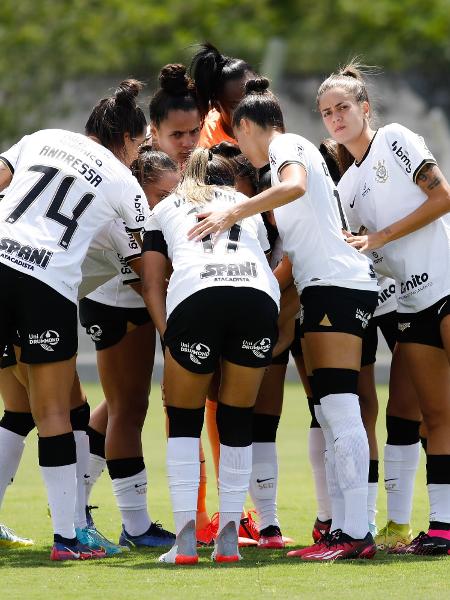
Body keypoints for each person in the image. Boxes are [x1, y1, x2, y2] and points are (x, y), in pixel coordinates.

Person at [188, 77, 381, 561]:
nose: (239, 148)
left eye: (239, 136)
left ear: (251, 125)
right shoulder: (287, 153)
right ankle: (348, 529)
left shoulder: (286, 148)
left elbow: (293, 187)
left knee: (339, 409)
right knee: (336, 409)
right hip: (330, 285)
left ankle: (355, 532)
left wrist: (235, 213)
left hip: (336, 286)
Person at [0, 78, 150, 560]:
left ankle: (72, 531)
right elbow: (143, 263)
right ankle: (69, 537)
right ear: (127, 139)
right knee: (53, 414)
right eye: (140, 146)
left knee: (23, 408)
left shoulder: (41, 138)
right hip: (46, 283)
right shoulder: (125, 182)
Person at [317, 62, 450, 556]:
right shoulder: (345, 188)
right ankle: (441, 526)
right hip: (411, 306)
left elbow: (442, 197)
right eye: (327, 112)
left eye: (344, 107)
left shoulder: (396, 138)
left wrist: (381, 236)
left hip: (446, 282)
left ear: (365, 107)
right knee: (435, 416)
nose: (336, 118)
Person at [141, 148, 280, 564]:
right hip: (257, 298)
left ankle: (185, 543)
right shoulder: (245, 204)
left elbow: (151, 285)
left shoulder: (165, 206)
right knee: (236, 419)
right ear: (228, 184)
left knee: (184, 421)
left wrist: (171, 340)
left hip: (197, 297)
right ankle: (230, 540)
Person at [80, 148, 178, 549]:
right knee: (127, 407)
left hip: (135, 302)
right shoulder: (127, 216)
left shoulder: (153, 212)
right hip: (116, 304)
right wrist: (174, 337)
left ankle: (75, 501)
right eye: (160, 195)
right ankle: (135, 526)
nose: (167, 204)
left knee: (123, 403)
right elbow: (149, 282)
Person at [190, 42, 257, 148]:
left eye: (254, 97)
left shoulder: (271, 129)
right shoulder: (207, 146)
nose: (249, 109)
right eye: (236, 106)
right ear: (217, 106)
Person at [149, 64, 202, 167]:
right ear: (154, 131)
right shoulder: (137, 170)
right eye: (177, 134)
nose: (188, 143)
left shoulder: (206, 154)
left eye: (194, 131)